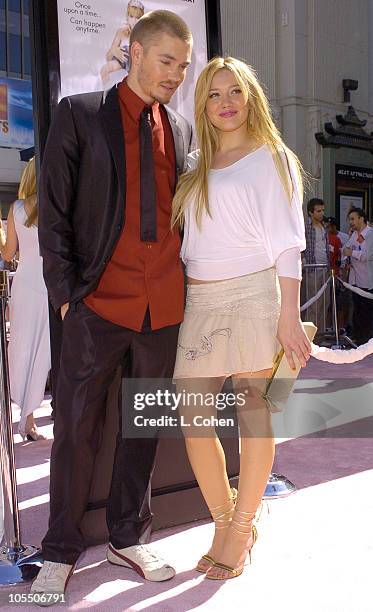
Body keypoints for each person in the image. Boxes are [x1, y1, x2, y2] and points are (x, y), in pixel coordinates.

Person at [31, 10, 193, 601]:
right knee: (76, 430)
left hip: (163, 309)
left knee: (143, 426)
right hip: (97, 304)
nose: (176, 72)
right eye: (167, 60)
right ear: (135, 52)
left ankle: (129, 533)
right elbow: (53, 215)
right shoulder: (78, 114)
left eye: (183, 62)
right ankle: (60, 550)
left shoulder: (181, 128)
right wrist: (68, 297)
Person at [172, 56, 311, 581]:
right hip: (200, 301)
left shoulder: (273, 157)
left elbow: (288, 245)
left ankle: (240, 526)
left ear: (251, 97)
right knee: (192, 417)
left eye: (235, 92)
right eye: (214, 94)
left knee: (254, 420)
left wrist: (289, 316)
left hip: (256, 294)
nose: (225, 102)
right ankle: (229, 521)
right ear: (202, 105)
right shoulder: (194, 164)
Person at [0, 158, 50, 441]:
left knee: (22, 348)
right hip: (49, 285)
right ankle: (28, 419)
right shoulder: (53, 206)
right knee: (44, 352)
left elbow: (7, 255)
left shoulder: (16, 209)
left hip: (24, 285)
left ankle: (25, 417)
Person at [342, 208, 373, 345]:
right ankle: (358, 338)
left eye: (353, 219)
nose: (351, 222)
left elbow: (366, 256)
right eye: (350, 219)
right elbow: (344, 249)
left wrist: (351, 253)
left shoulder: (370, 234)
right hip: (355, 280)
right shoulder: (354, 234)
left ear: (361, 219)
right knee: (357, 310)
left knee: (367, 311)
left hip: (368, 280)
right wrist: (351, 252)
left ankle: (367, 340)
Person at [100, 0, 145, 87]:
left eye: (137, 17)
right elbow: (108, 57)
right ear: (127, 17)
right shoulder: (121, 32)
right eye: (131, 16)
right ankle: (106, 92)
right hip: (122, 60)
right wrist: (114, 51)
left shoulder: (143, 35)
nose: (134, 21)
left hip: (136, 64)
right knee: (104, 70)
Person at [302, 198, 330, 332]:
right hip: (312, 269)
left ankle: (321, 333)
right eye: (318, 211)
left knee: (325, 302)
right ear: (310, 212)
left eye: (323, 210)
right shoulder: (306, 226)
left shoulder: (324, 226)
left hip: (325, 268)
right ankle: (310, 337)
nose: (321, 213)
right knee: (312, 303)